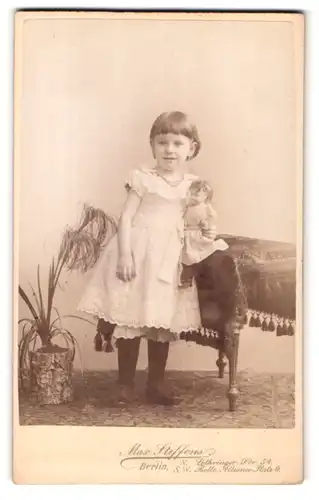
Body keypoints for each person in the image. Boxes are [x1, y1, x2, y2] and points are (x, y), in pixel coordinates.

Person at [78, 111, 206, 405]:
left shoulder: (192, 185)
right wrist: (125, 255)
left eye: (177, 143)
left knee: (160, 319)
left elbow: (194, 222)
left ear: (192, 148)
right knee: (130, 316)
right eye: (162, 142)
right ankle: (124, 384)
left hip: (169, 255)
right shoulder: (143, 178)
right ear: (152, 146)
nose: (169, 150)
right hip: (138, 251)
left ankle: (156, 383)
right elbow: (126, 218)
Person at [179, 179, 228, 288]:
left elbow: (212, 217)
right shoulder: (187, 206)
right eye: (192, 194)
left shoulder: (205, 207)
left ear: (205, 197)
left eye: (197, 195)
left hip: (197, 235)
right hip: (187, 234)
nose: (194, 197)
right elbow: (182, 218)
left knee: (195, 256)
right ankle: (186, 278)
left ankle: (196, 277)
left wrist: (206, 224)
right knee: (186, 257)